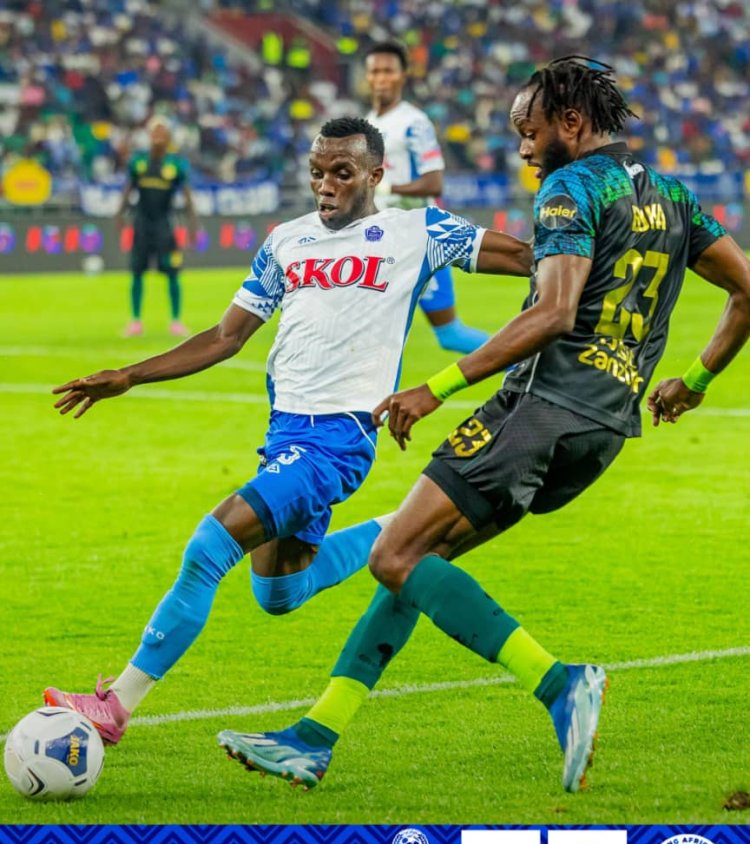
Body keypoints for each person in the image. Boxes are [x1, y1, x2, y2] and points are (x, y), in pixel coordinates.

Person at [223, 57, 750, 794]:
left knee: (394, 555)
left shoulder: (571, 188)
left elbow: (554, 313)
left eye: (530, 132)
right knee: (420, 561)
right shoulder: (674, 197)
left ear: (572, 123)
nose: (524, 149)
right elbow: (745, 290)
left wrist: (435, 388)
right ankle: (315, 737)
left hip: (539, 408)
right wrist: (693, 382)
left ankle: (560, 682)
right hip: (605, 426)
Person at [44, 116, 532, 746]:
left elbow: (530, 259)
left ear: (376, 175)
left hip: (337, 439)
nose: (325, 185)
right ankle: (401, 527)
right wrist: (131, 376)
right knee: (278, 590)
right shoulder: (286, 241)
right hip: (284, 435)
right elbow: (226, 337)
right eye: (317, 172)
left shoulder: (420, 231)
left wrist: (589, 270)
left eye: (342, 173)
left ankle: (116, 705)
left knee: (210, 546)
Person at [365, 40, 490, 355]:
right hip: (385, 238)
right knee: (371, 331)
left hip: (418, 237)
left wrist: (385, 188)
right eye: (375, 71)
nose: (381, 78)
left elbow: (434, 182)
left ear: (403, 75)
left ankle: (526, 365)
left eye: (388, 71)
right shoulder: (369, 123)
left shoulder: (414, 123)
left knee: (449, 334)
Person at [116, 117, 198, 338]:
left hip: (165, 224)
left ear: (169, 136)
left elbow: (187, 195)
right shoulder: (138, 161)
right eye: (155, 132)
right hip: (142, 223)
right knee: (137, 272)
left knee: (173, 273)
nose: (158, 136)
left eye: (163, 132)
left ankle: (176, 321)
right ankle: (135, 321)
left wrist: (193, 225)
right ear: (149, 135)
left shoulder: (176, 164)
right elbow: (128, 189)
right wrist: (119, 214)